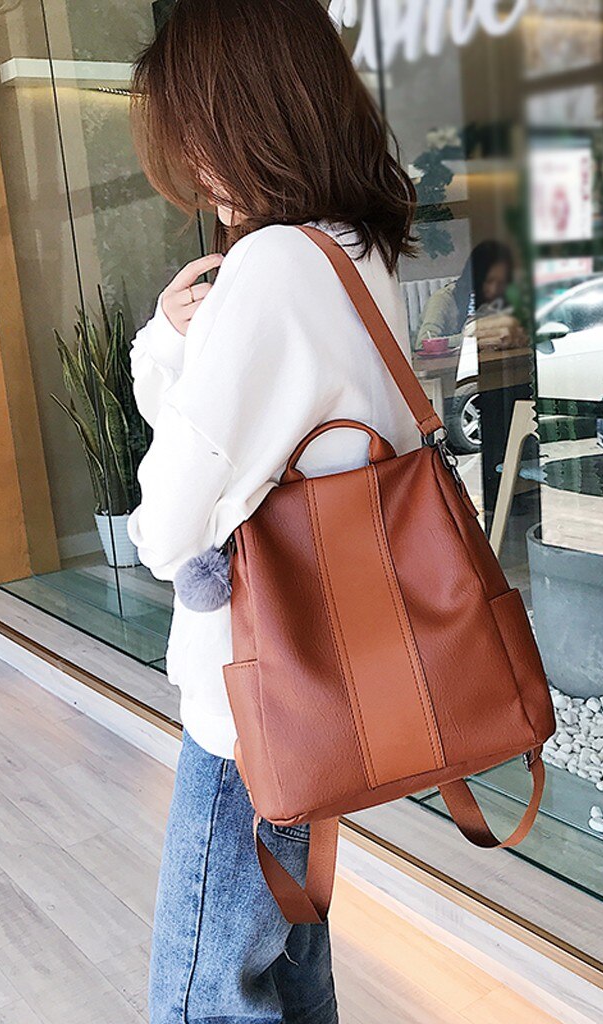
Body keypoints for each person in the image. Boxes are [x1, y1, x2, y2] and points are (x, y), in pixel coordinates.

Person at [125, 2, 419, 1021]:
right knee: (293, 965)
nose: (196, 169)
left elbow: (168, 520)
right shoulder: (359, 251)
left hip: (247, 698)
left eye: (197, 135)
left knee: (204, 992)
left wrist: (170, 356)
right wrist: (175, 345)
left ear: (249, 114)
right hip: (327, 681)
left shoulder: (270, 267)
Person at [414, 239, 515, 349]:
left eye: (501, 283)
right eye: (488, 281)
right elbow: (422, 345)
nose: (494, 289)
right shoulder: (443, 299)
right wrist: (471, 337)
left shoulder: (497, 300)